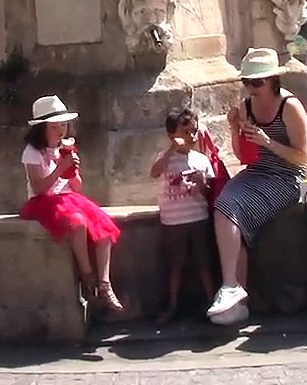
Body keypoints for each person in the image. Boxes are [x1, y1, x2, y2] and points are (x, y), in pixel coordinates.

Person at [208, 48, 307, 326]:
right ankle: (235, 296)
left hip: (286, 176)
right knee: (224, 205)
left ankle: (231, 287)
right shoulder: (246, 106)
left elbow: (302, 157)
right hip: (257, 172)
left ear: (272, 80)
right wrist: (234, 129)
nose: (251, 88)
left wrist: (268, 142)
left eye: (257, 82)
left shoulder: (290, 107)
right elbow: (243, 156)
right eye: (247, 82)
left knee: (231, 208)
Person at [18, 95, 124, 312]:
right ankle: (87, 276)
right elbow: (39, 189)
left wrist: (72, 170)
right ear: (42, 128)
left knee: (103, 224)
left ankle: (105, 284)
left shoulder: (66, 149)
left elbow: (76, 187)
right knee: (77, 222)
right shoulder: (33, 152)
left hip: (68, 198)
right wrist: (60, 168)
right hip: (43, 201)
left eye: (63, 125)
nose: (61, 130)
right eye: (55, 126)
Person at [150, 108, 217, 324]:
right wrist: (171, 151)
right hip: (173, 220)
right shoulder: (165, 158)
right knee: (174, 265)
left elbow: (208, 189)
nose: (192, 136)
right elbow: (154, 172)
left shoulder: (201, 160)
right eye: (186, 132)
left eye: (194, 131)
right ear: (172, 135)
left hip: (197, 218)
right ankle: (172, 305)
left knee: (204, 263)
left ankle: (212, 302)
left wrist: (202, 184)